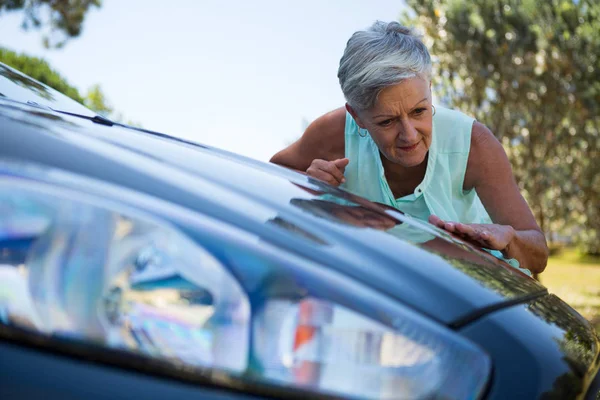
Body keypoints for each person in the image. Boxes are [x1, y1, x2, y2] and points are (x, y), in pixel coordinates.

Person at [270, 21, 548, 274]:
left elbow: (538, 255)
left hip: (469, 286)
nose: (409, 135)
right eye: (387, 121)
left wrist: (508, 239)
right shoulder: (333, 134)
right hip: (381, 288)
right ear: (357, 117)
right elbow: (266, 183)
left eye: (419, 111)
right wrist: (307, 187)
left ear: (429, 89)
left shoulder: (474, 144)